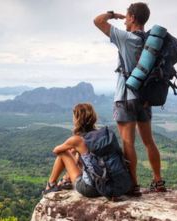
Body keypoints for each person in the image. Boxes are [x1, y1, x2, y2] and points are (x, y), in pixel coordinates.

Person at [93, 2, 166, 196]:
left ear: (133, 18)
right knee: (149, 141)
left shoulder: (126, 38)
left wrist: (114, 15)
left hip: (125, 97)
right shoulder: (150, 42)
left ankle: (133, 185)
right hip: (145, 97)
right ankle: (158, 181)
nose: (125, 19)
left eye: (127, 16)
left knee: (128, 143)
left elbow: (98, 21)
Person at [43, 103, 131, 198]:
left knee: (63, 153)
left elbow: (56, 150)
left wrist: (71, 148)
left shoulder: (77, 140)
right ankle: (66, 179)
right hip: (114, 184)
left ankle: (50, 185)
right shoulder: (103, 135)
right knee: (77, 152)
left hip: (91, 189)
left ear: (77, 119)